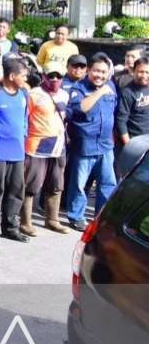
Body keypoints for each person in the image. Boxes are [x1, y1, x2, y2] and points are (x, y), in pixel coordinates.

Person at [0, 58, 31, 246]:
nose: (26, 78)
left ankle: (11, 227)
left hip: (17, 153)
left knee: (16, 192)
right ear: (11, 76)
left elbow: (25, 119)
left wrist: (23, 138)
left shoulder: (23, 93)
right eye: (23, 75)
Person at [64, 56, 118, 231]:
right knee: (79, 184)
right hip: (84, 145)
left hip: (105, 145)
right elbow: (81, 108)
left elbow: (113, 112)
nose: (99, 75)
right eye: (96, 71)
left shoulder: (111, 87)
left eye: (103, 72)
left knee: (108, 184)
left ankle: (101, 216)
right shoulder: (78, 88)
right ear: (89, 70)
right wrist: (99, 92)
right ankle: (76, 216)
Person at [24, 68, 69, 234]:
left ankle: (52, 220)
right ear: (43, 77)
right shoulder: (34, 94)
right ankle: (25, 222)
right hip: (37, 146)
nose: (55, 79)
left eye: (58, 76)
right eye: (51, 76)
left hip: (58, 146)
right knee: (31, 186)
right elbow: (25, 117)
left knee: (56, 185)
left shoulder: (65, 94)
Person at [116, 57, 149, 146]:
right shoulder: (127, 92)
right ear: (134, 72)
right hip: (135, 140)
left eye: (147, 72)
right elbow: (120, 120)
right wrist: (128, 144)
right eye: (141, 72)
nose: (144, 75)